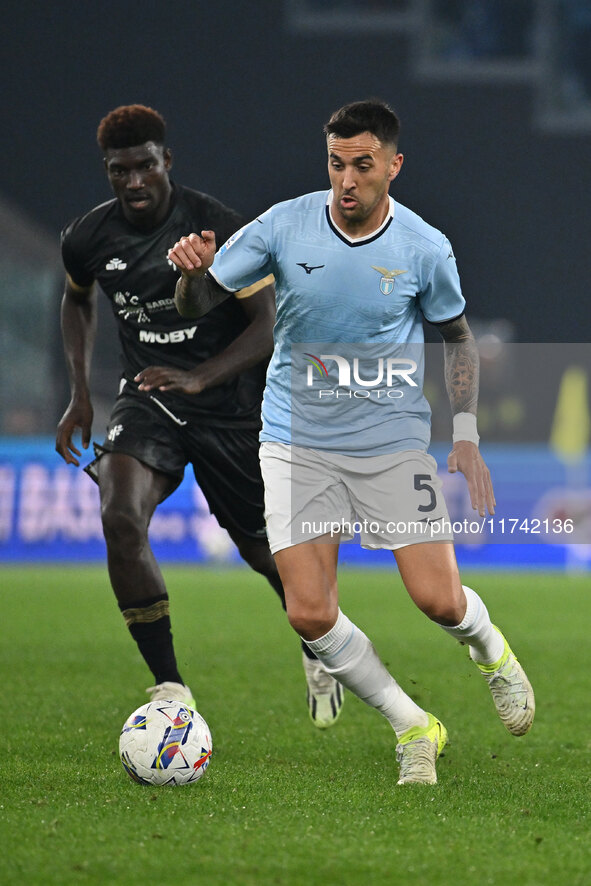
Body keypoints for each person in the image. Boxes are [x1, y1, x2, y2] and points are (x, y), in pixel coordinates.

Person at [168, 99, 535, 785]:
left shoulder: (424, 248)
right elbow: (197, 303)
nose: (346, 180)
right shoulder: (283, 225)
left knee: (438, 602)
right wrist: (190, 273)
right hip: (292, 437)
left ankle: (490, 652)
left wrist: (463, 434)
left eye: (362, 166)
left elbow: (456, 339)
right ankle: (412, 726)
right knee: (307, 610)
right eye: (336, 164)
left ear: (392, 166)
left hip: (390, 442)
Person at [56, 104, 343, 726]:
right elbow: (77, 300)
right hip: (149, 397)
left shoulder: (217, 226)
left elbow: (269, 326)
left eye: (144, 167)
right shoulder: (88, 237)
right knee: (119, 516)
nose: (133, 182)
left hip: (229, 404)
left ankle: (317, 641)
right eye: (119, 171)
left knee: (265, 553)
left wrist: (200, 376)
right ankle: (169, 687)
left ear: (167, 162)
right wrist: (80, 393)